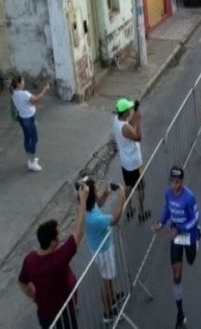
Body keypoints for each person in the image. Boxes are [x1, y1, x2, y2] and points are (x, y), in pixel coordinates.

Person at [18, 184, 88, 329]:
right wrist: (83, 200)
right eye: (58, 235)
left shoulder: (30, 259)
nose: (61, 236)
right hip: (63, 315)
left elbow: (22, 283)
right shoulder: (58, 259)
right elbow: (78, 232)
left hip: (45, 315)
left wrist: (36, 297)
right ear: (51, 242)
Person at [152, 166, 201, 329]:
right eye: (172, 182)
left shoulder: (189, 197)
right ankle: (180, 313)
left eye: (178, 182)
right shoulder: (167, 193)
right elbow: (167, 209)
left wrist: (181, 228)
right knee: (177, 274)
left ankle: (197, 242)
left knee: (191, 260)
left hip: (189, 233)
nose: (175, 185)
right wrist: (160, 223)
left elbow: (196, 218)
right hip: (176, 234)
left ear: (182, 181)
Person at [83, 177, 126, 322]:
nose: (97, 191)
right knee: (106, 282)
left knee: (108, 278)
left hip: (102, 248)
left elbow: (98, 203)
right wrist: (122, 198)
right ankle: (108, 313)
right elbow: (114, 218)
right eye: (95, 190)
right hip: (103, 252)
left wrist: (106, 194)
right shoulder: (94, 219)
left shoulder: (87, 206)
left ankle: (112, 298)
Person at [113, 98, 150, 222]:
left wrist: (134, 113)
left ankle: (128, 209)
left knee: (128, 185)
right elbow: (138, 136)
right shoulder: (125, 128)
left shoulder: (117, 121)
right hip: (134, 163)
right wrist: (138, 119)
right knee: (140, 188)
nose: (129, 110)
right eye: (128, 109)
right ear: (124, 112)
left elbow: (129, 125)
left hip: (125, 163)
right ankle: (141, 212)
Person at [10, 76, 50, 171]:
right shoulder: (24, 94)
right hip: (29, 119)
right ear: (19, 84)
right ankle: (32, 162)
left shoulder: (14, 93)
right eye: (23, 81)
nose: (24, 82)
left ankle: (30, 158)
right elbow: (36, 99)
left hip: (22, 118)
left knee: (27, 138)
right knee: (34, 139)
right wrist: (45, 90)